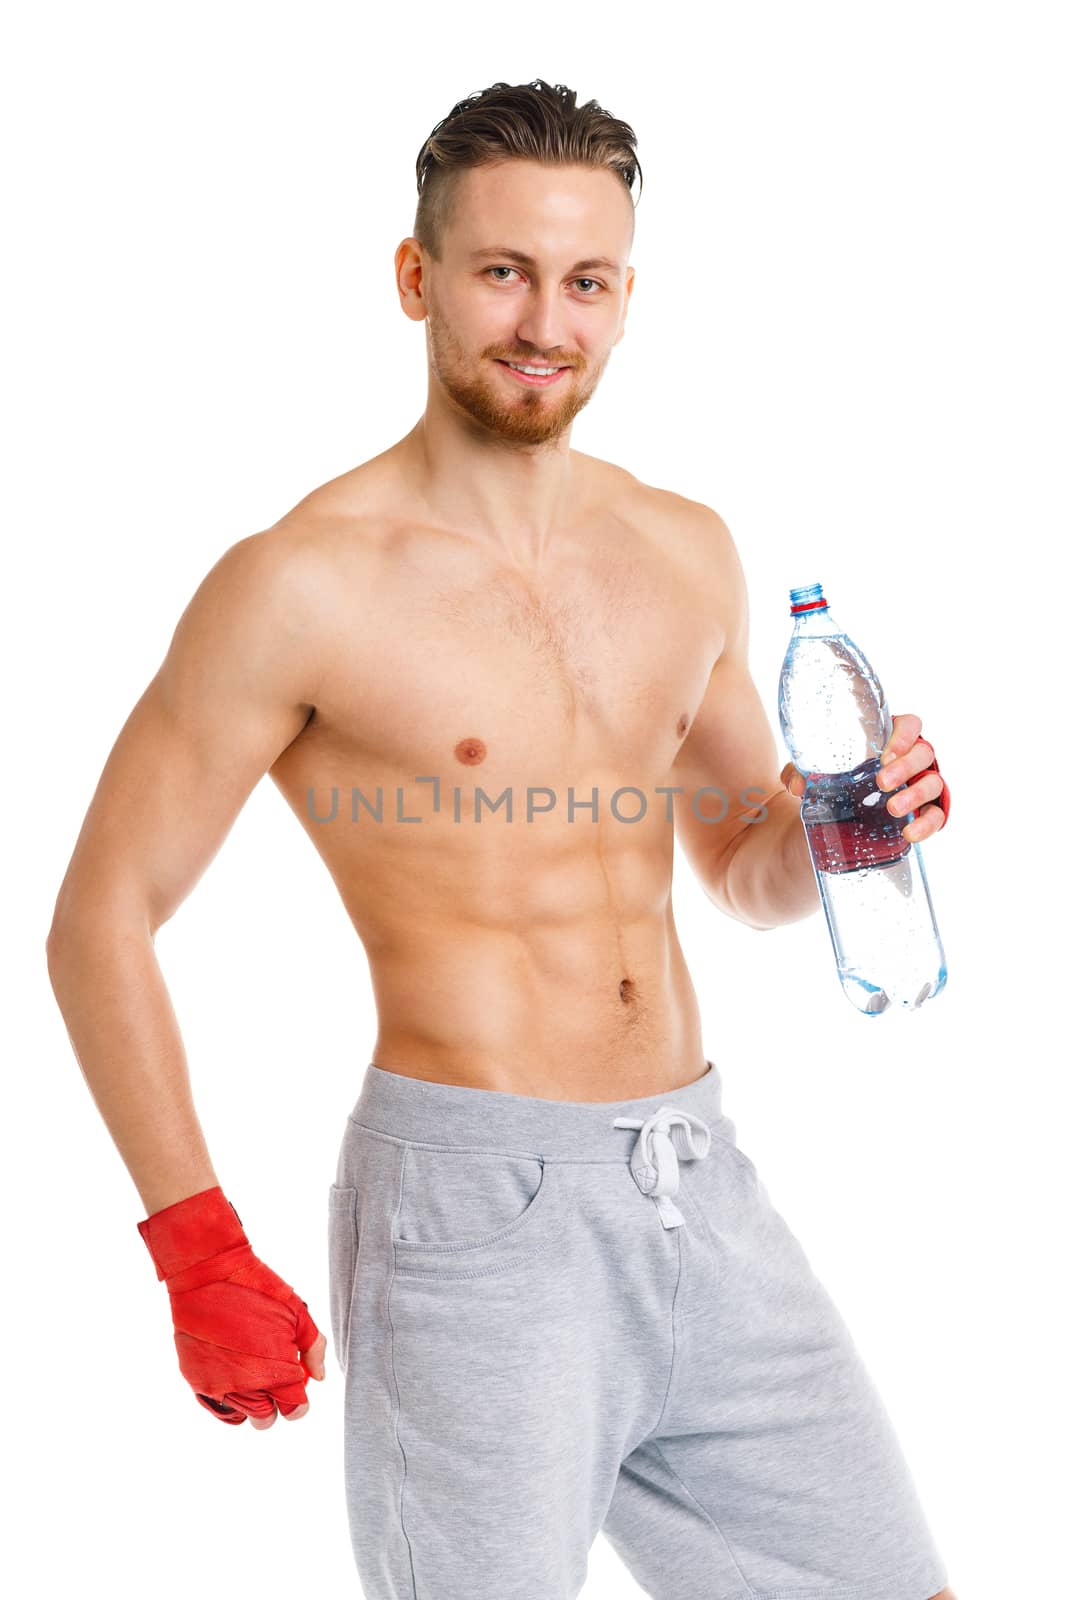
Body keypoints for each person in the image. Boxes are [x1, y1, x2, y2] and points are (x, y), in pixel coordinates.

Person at [45, 78, 956, 1600]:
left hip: (699, 1181)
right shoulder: (301, 582)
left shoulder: (683, 548)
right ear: (418, 279)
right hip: (472, 1222)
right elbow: (102, 917)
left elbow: (742, 866)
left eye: (586, 281)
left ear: (625, 298)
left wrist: (850, 835)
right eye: (504, 272)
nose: (547, 321)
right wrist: (196, 1245)